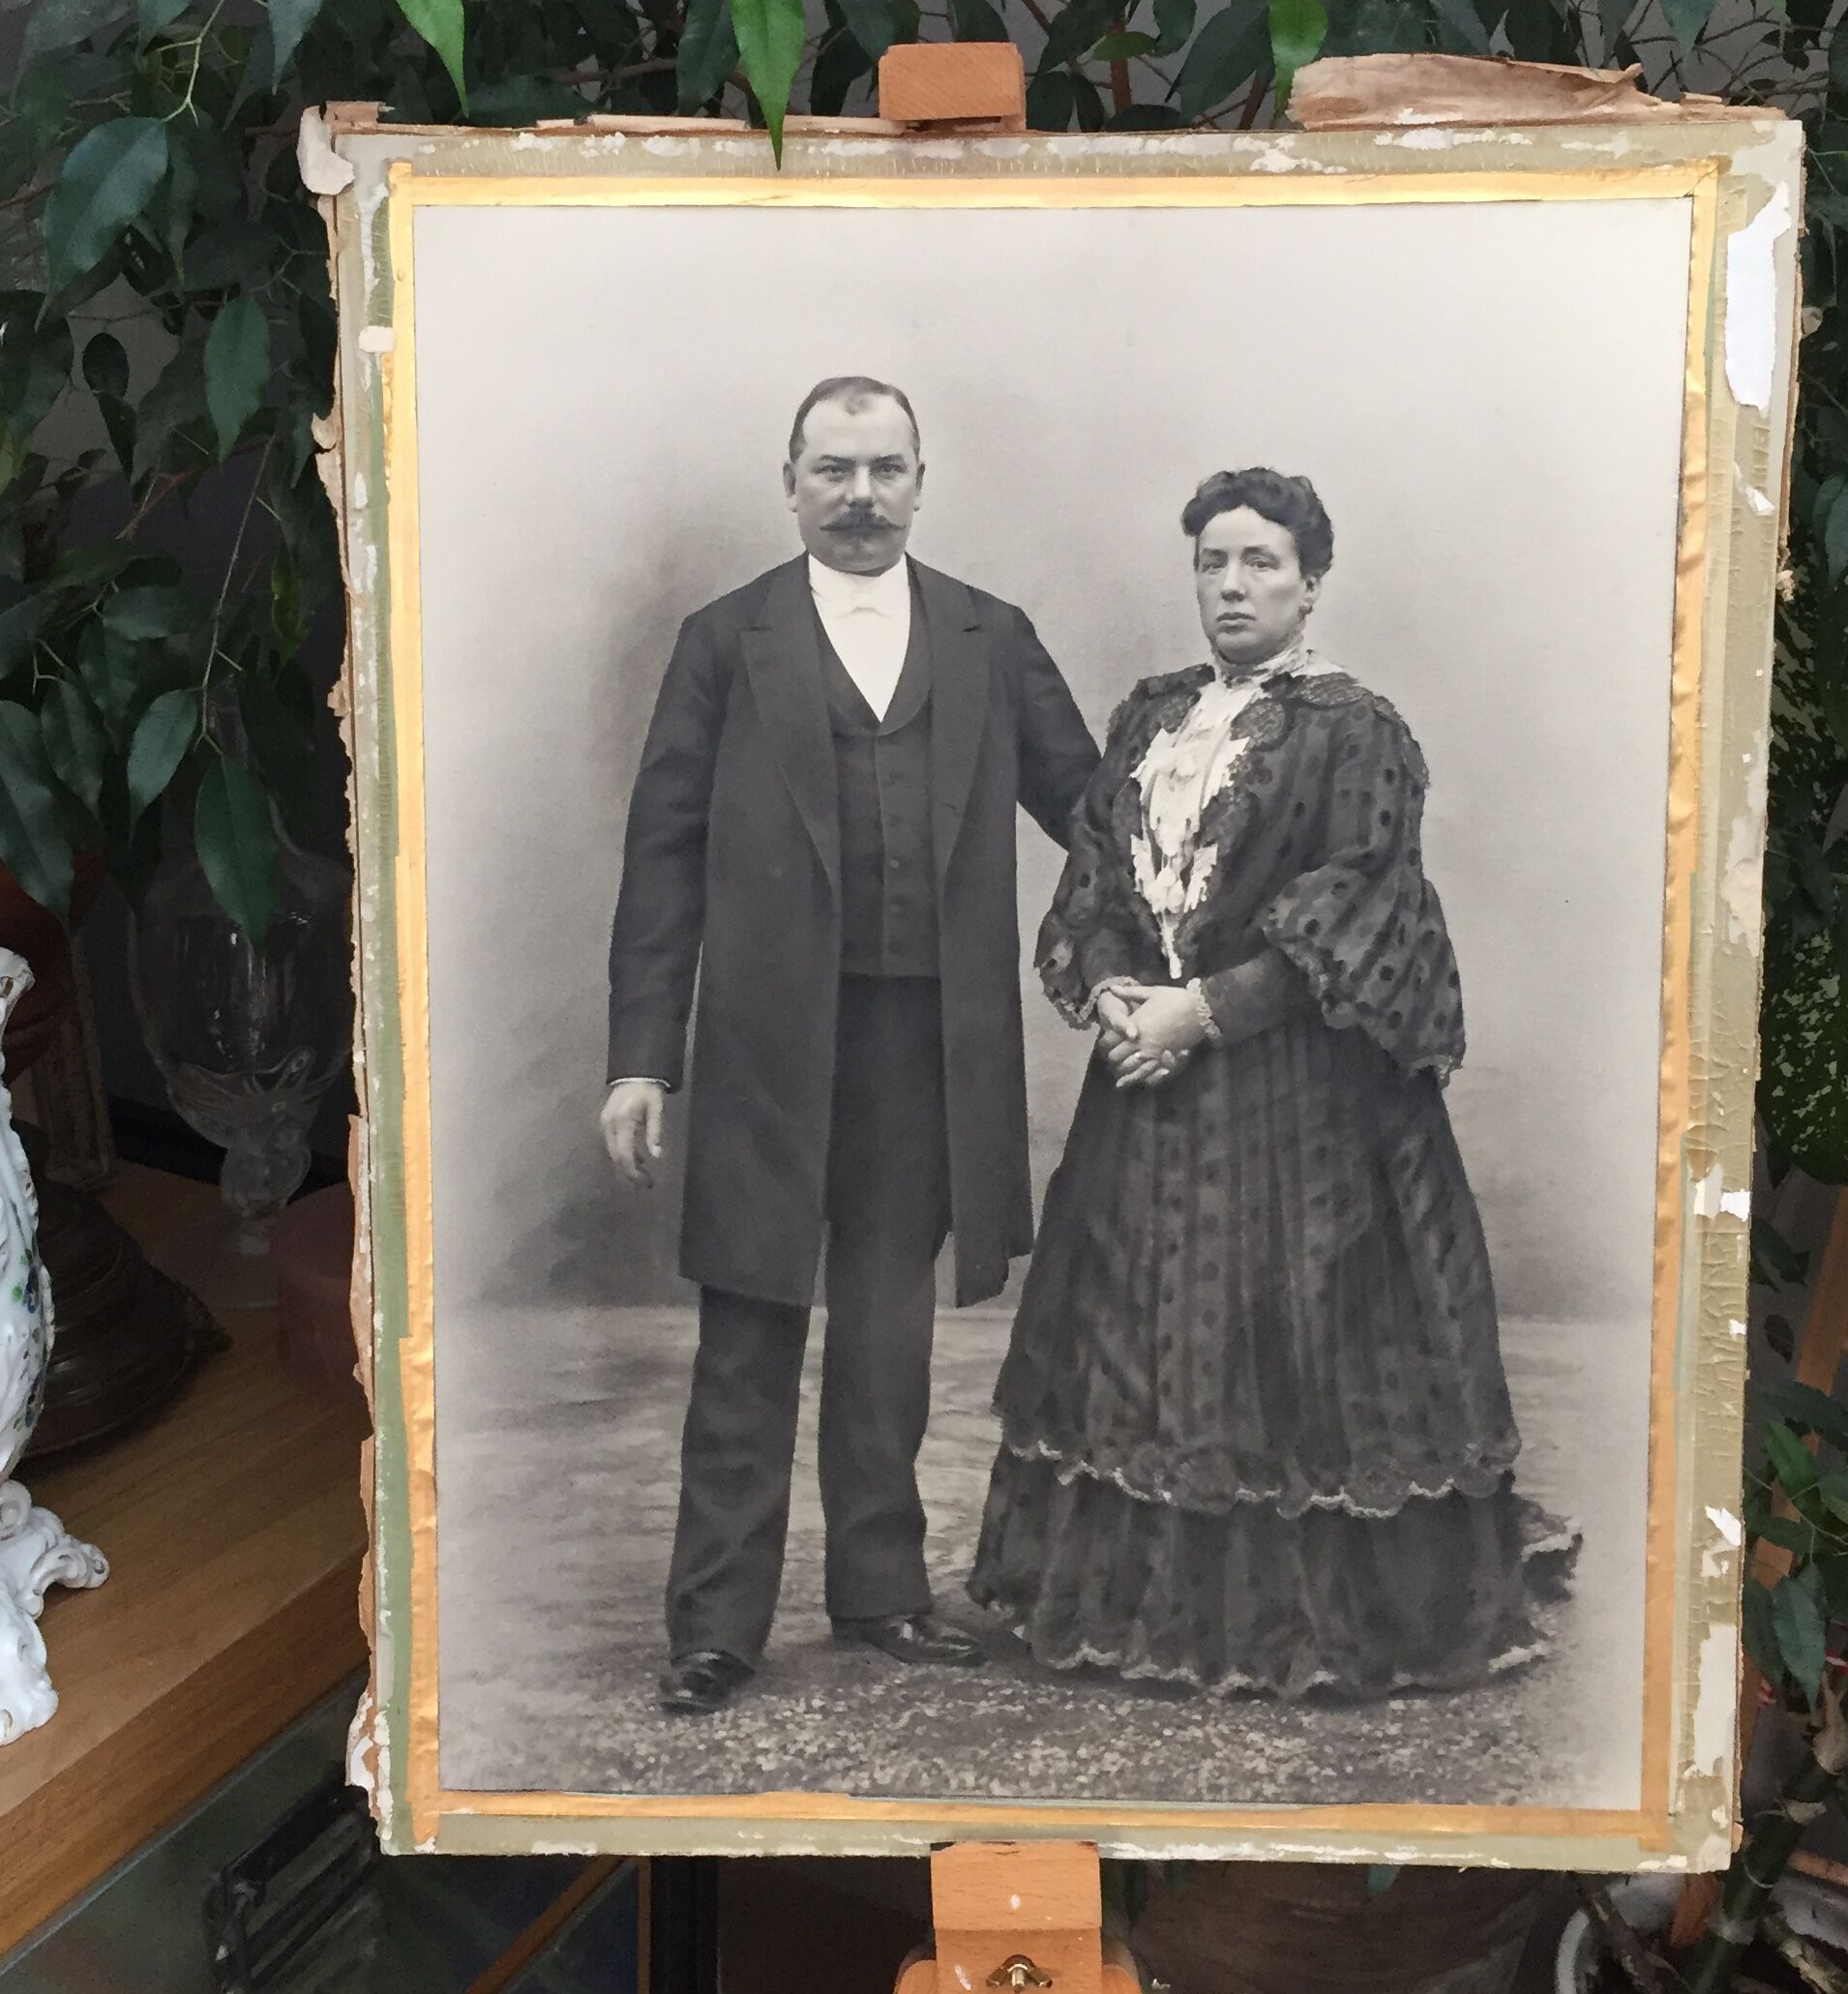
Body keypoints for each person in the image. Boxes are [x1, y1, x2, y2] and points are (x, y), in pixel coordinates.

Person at [970, 465, 1572, 1699]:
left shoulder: (1359, 732)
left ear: (1311, 584)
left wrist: (1204, 1010)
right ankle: (1146, 1612)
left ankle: (1303, 1624)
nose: (1233, 585)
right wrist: (1114, 997)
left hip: (1298, 1101)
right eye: (1213, 563)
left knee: (1292, 1350)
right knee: (1137, 1345)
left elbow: (1353, 903)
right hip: (1146, 1084)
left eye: (1260, 564)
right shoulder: (1150, 718)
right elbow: (1092, 869)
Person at [602, 375, 1100, 1716]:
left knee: (888, 1329)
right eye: (835, 470)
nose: (862, 496)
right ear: (792, 482)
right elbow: (663, 860)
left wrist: (1178, 933)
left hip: (926, 1043)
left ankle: (882, 1594)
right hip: (769, 1042)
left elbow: (1096, 817)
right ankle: (716, 1626)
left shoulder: (993, 637)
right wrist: (642, 1059)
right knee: (751, 1329)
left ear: (923, 482)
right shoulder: (726, 641)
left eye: (886, 469)